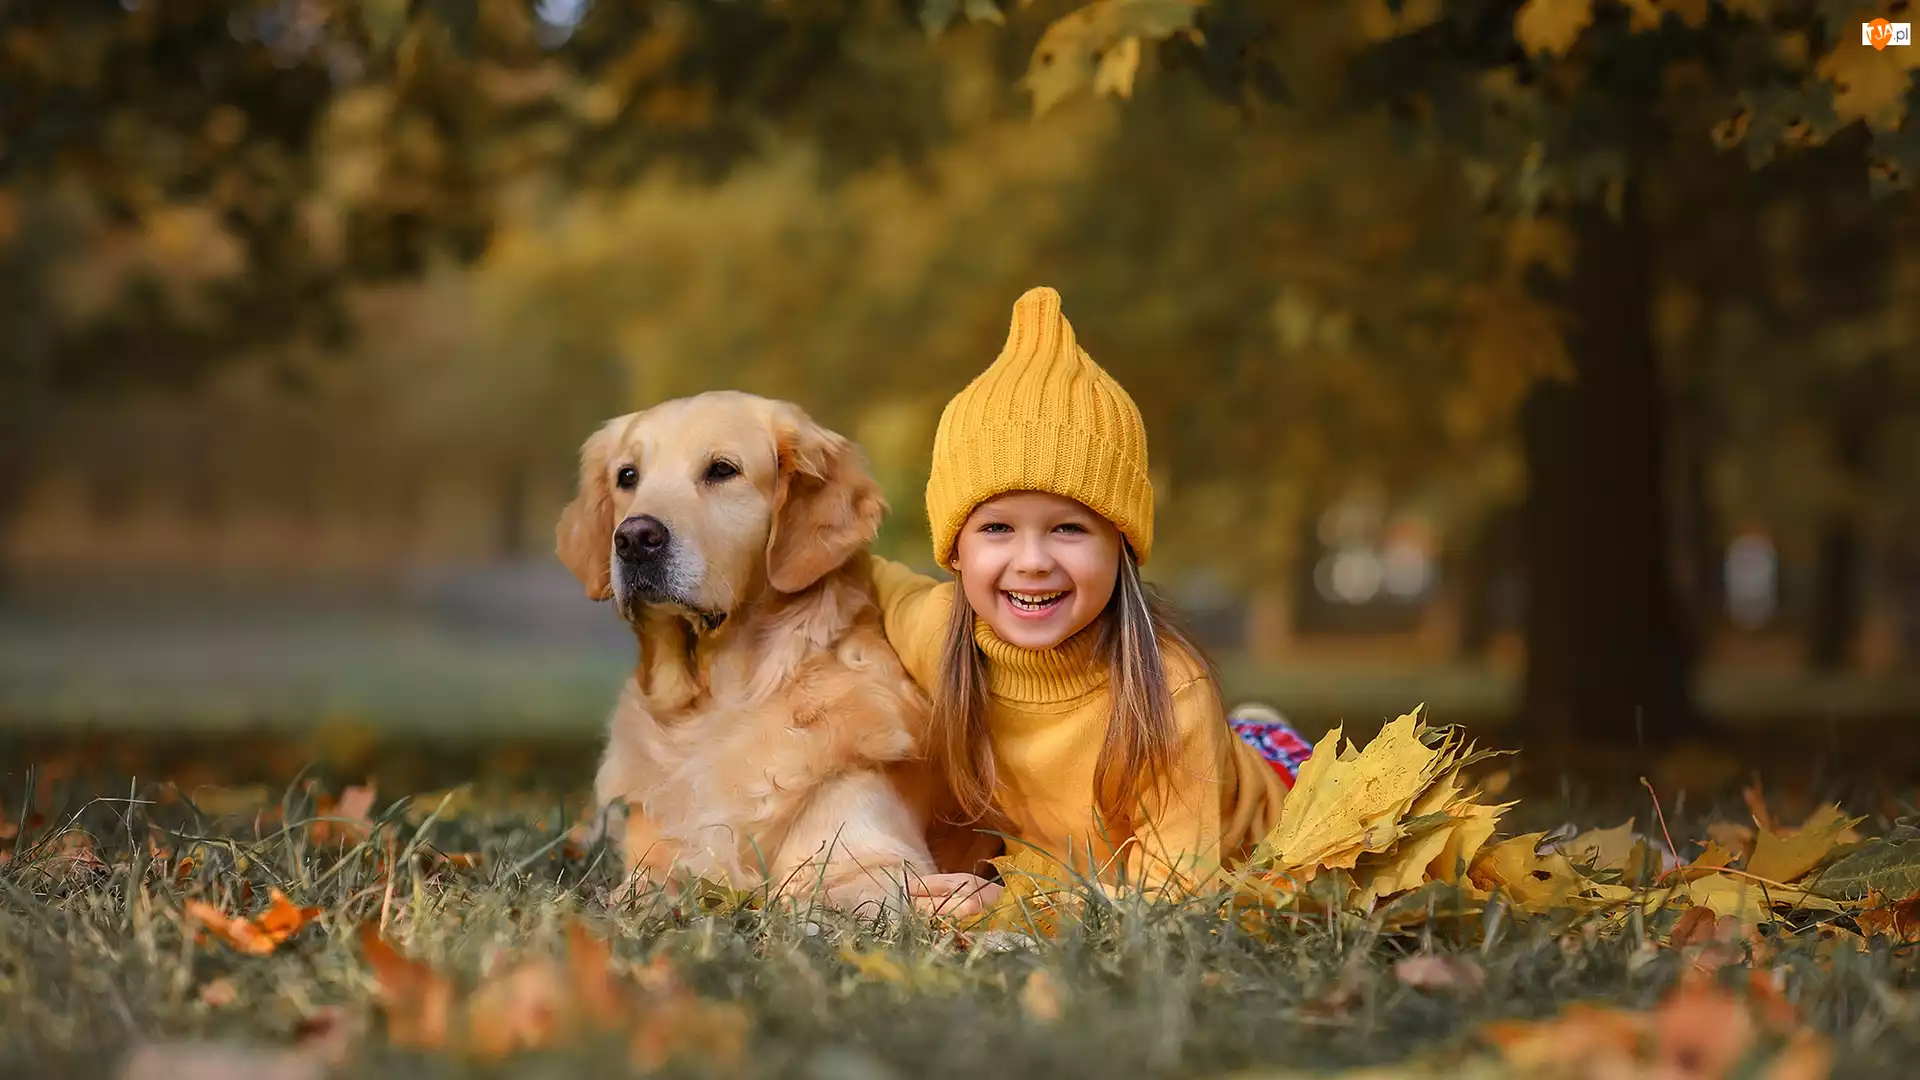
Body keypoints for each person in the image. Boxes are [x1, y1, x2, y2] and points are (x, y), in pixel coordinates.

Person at [865, 286, 1315, 917]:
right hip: (1098, 851)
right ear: (955, 551)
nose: (1032, 560)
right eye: (997, 528)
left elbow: (1177, 901)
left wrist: (1013, 909)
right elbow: (860, 572)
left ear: (1121, 546)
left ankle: (1265, 739)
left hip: (1255, 826)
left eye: (1069, 528)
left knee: (1286, 781)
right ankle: (1255, 730)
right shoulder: (936, 629)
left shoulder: (1169, 693)